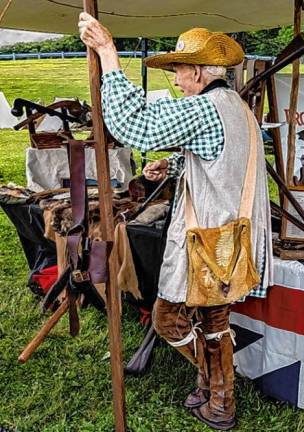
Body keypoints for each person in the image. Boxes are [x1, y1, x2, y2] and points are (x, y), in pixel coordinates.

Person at [79, 13, 273, 430]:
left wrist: (108, 55)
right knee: (214, 320)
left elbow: (136, 127)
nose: (178, 82)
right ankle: (218, 396)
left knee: (168, 318)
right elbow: (221, 163)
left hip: (208, 237)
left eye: (179, 72)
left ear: (200, 72)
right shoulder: (235, 106)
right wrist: (171, 166)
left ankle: (217, 389)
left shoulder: (205, 107)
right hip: (229, 235)